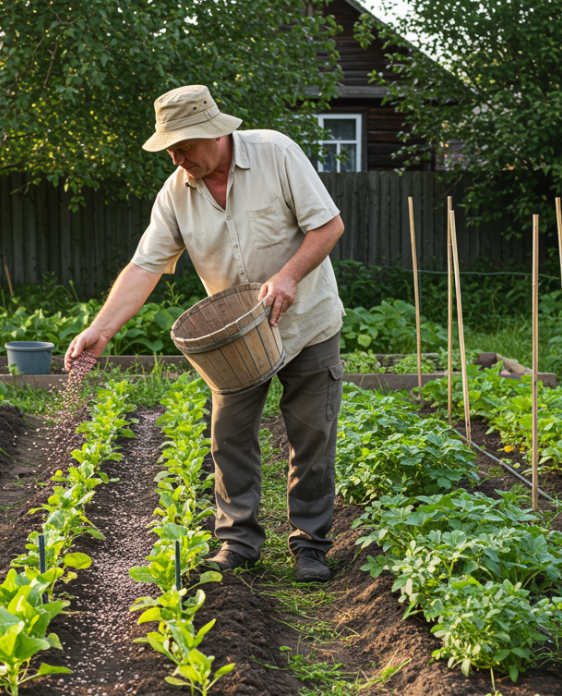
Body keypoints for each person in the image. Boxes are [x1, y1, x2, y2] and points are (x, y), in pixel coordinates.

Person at [65, 85, 345, 582]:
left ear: (214, 133)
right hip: (235, 339)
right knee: (228, 436)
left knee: (312, 436)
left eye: (182, 146)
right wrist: (100, 330)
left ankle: (310, 546)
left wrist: (289, 275)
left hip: (306, 323)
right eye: (168, 149)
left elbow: (328, 226)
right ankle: (238, 541)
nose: (175, 157)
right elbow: (144, 266)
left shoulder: (277, 153)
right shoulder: (176, 192)